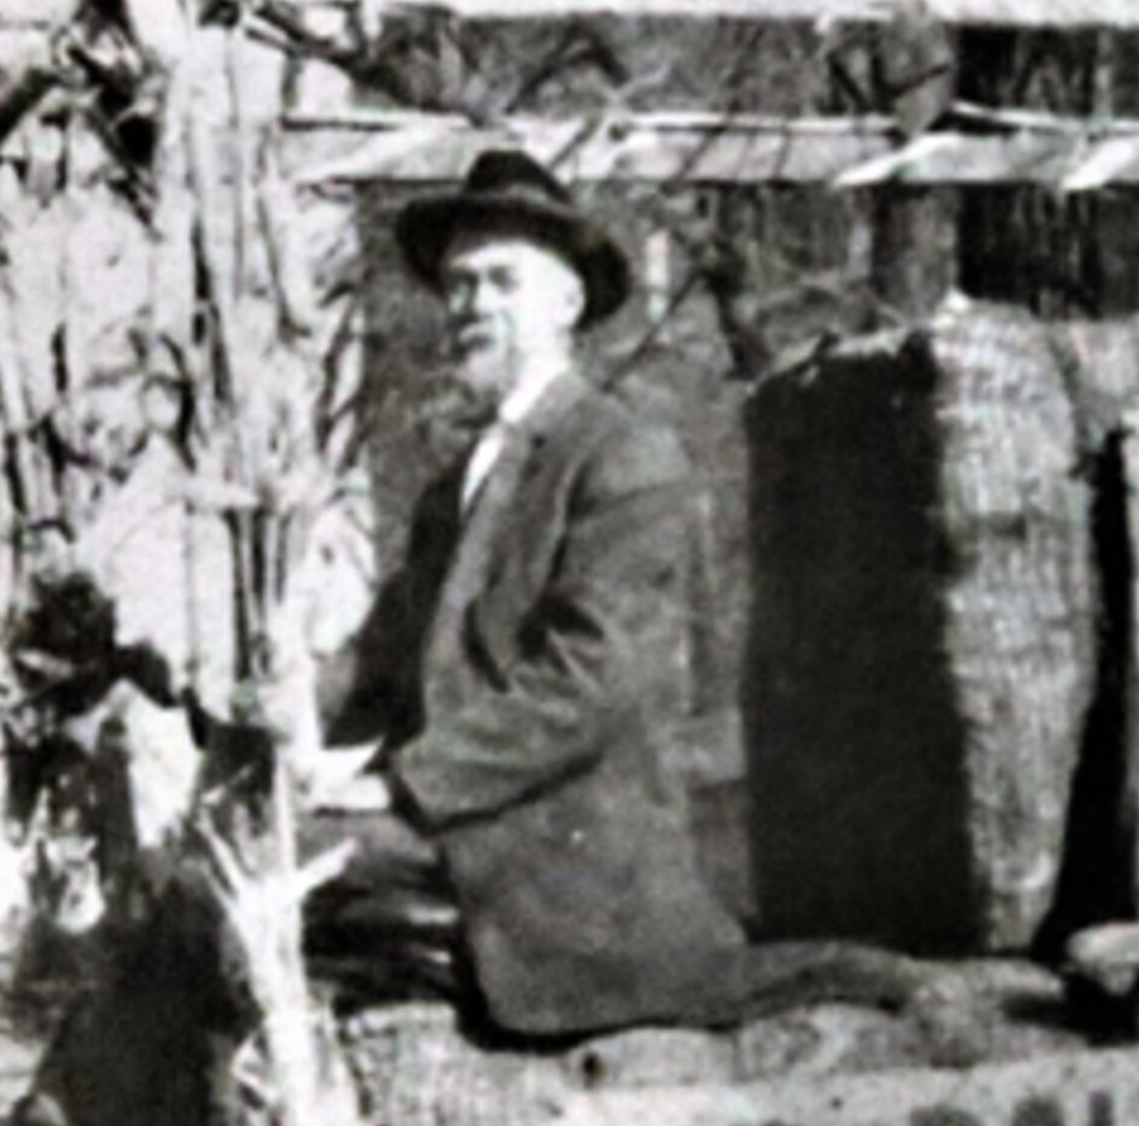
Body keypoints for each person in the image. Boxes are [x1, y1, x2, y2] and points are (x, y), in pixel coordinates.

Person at [303, 150, 924, 1039]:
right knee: (247, 855)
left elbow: (591, 685)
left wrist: (402, 785)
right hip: (478, 819)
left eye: (499, 282)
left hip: (560, 850)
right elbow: (388, 664)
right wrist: (294, 724)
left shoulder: (620, 455)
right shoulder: (453, 490)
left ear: (565, 306)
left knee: (289, 865)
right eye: (457, 285)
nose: (470, 305)